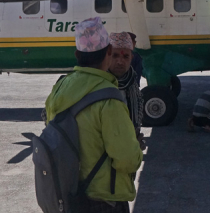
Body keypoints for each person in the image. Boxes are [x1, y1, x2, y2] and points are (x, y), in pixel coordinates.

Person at [44, 17, 143, 212]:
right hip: (104, 199)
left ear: (76, 54)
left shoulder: (60, 86)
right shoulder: (109, 98)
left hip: (69, 195)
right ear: (108, 52)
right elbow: (127, 159)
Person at [109, 32, 146, 150]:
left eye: (125, 57)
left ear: (131, 58)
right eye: (115, 56)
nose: (120, 62)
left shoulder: (132, 84)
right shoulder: (98, 85)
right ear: (106, 56)